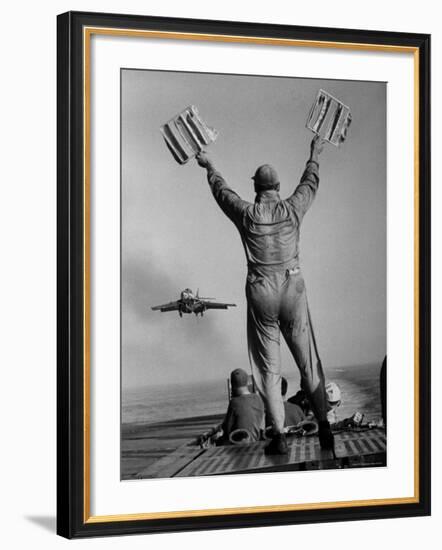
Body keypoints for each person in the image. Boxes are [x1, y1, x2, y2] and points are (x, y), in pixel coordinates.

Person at [196, 135, 333, 455]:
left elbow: (222, 192)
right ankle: (324, 425)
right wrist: (314, 152)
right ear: (278, 187)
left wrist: (209, 165)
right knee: (308, 363)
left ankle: (280, 436)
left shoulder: (246, 214)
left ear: (256, 187)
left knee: (269, 369)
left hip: (261, 291)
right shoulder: (293, 209)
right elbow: (309, 183)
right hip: (292, 287)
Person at [220, 368, 265, 444]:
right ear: (247, 382)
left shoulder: (234, 402)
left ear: (232, 385)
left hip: (239, 444)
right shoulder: (258, 399)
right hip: (256, 441)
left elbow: (227, 429)